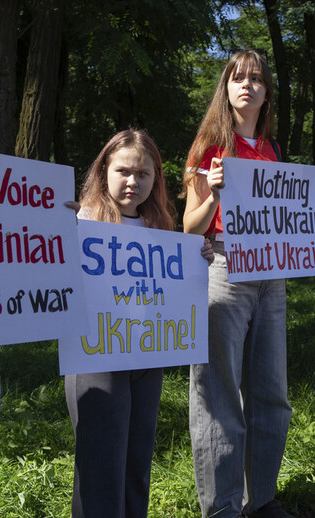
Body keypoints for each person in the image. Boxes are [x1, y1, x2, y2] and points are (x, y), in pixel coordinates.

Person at [182, 50, 315, 518]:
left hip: (273, 274)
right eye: (237, 78)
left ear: (267, 93)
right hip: (226, 270)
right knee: (219, 392)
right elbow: (190, 227)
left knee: (272, 390)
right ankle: (223, 507)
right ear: (225, 88)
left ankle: (261, 500)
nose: (246, 85)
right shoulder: (209, 148)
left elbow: (289, 219)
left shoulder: (271, 151)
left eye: (256, 79)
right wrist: (218, 195)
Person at [65, 129, 213, 518]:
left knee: (136, 464)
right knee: (100, 468)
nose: (133, 182)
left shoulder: (160, 227)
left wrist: (200, 258)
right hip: (97, 359)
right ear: (104, 171)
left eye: (143, 174)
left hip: (148, 359)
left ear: (156, 178)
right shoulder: (80, 219)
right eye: (123, 171)